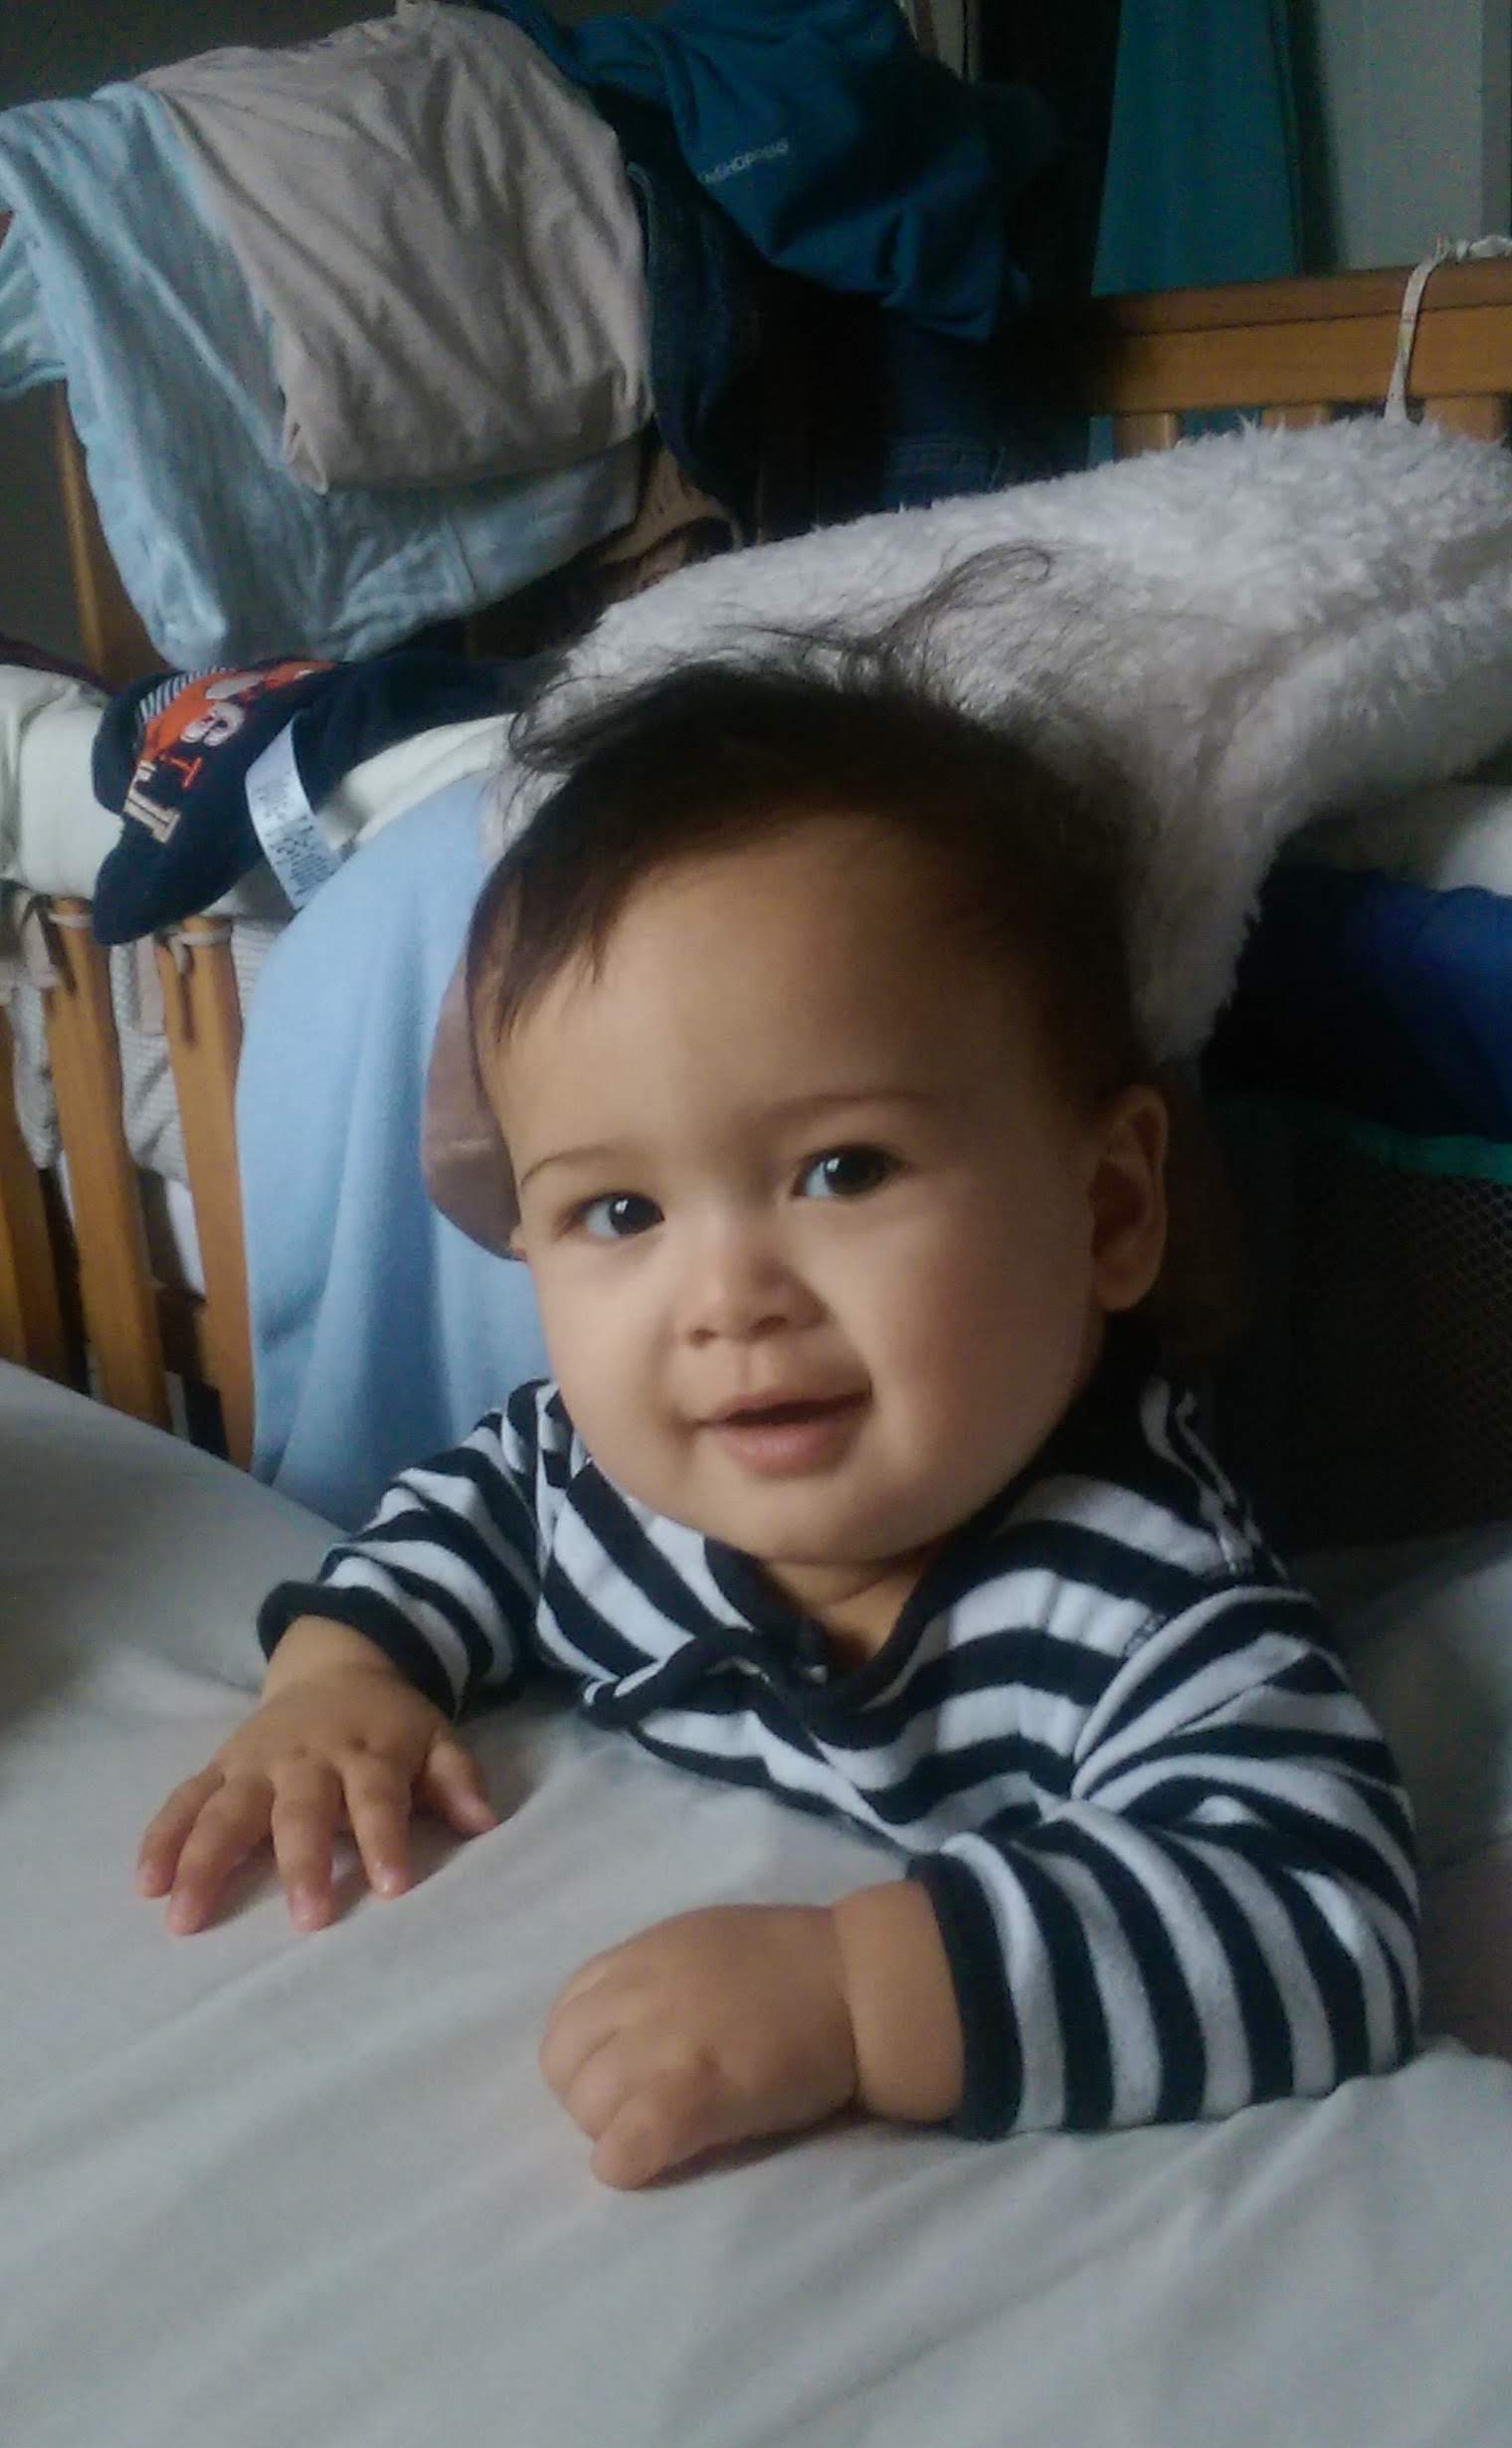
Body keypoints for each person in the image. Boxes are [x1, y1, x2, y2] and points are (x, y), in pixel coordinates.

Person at [136, 624, 1419, 2189]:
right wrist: (342, 1671)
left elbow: (1324, 1922)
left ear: (1107, 1211)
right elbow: (472, 1511)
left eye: (842, 1170)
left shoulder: (1142, 1601)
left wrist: (861, 1995)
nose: (727, 1297)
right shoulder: (596, 1481)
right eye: (620, 1211)